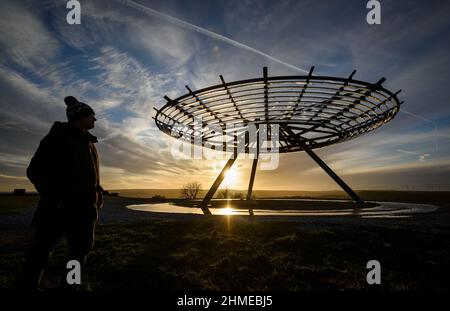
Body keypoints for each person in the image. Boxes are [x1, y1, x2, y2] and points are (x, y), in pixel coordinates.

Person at [18, 96, 103, 290]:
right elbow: (35, 171)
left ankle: (70, 288)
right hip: (57, 209)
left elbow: (91, 177)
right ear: (78, 116)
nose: (94, 120)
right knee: (40, 254)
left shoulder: (89, 144)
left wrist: (97, 193)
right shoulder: (58, 137)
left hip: (83, 211)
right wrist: (58, 198)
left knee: (78, 254)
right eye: (91, 115)